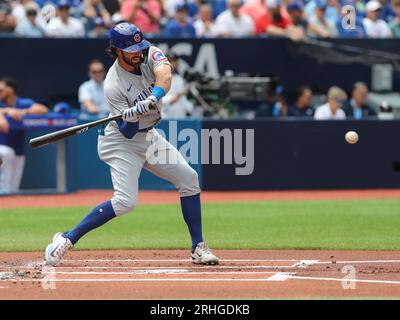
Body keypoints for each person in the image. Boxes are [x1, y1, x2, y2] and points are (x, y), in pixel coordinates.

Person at [44, 23, 219, 267]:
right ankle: (67, 237)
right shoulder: (113, 84)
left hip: (150, 136)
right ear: (116, 50)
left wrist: (153, 97)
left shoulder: (150, 54)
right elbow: (127, 133)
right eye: (131, 49)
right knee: (126, 202)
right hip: (119, 142)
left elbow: (165, 76)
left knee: (189, 179)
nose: (137, 53)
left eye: (139, 47)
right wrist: (132, 116)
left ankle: (198, 247)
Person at [0, 78, 48, 194]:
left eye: (1, 90)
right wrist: (7, 111)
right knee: (7, 153)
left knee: (13, 189)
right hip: (2, 148)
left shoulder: (22, 103)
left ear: (10, 90)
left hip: (18, 151)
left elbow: (43, 109)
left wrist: (23, 112)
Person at [161, 53, 194, 118]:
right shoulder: (157, 78)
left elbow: (182, 99)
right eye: (170, 61)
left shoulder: (179, 79)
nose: (172, 64)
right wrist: (170, 99)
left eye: (174, 61)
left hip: (178, 115)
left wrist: (189, 107)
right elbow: (154, 99)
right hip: (163, 114)